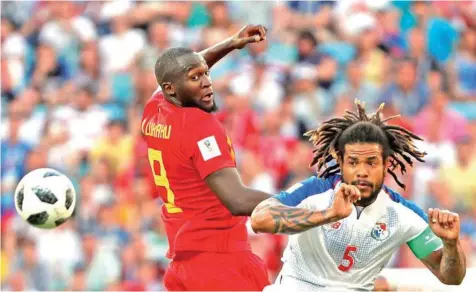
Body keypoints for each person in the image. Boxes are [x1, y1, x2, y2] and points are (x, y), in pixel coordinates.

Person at [251, 100, 466, 291]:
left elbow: (451, 278)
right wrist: (328, 215)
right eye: (353, 162)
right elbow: (259, 220)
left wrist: (449, 244)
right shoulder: (316, 190)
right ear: (340, 161)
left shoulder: (401, 213)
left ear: (386, 164)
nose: (362, 171)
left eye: (371, 162)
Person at [141, 25, 272, 291]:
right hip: (220, 263)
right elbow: (237, 200)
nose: (206, 82)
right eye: (195, 78)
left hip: (183, 262)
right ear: (171, 88)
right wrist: (308, 201)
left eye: (206, 74)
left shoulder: (154, 108)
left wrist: (231, 43)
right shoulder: (199, 125)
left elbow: (179, 70)